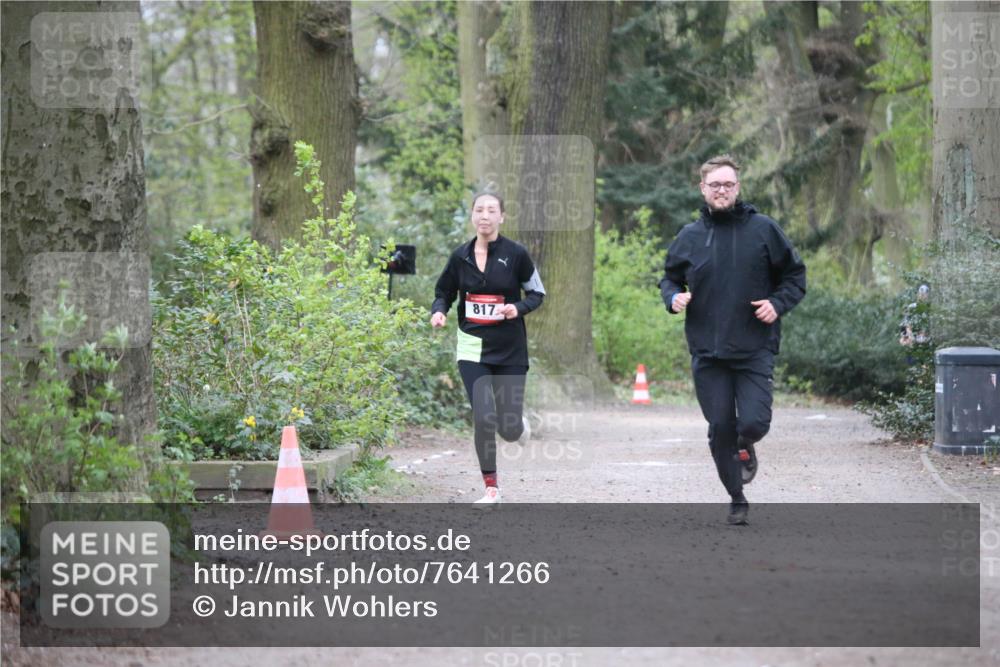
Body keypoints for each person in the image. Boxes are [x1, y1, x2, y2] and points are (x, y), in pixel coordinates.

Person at [659, 155, 806, 525]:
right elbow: (669, 279)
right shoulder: (689, 237)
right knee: (720, 427)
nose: (721, 190)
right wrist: (673, 297)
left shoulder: (764, 230)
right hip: (708, 352)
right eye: (714, 185)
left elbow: (795, 276)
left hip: (754, 347)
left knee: (753, 423)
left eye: (728, 185)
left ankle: (746, 445)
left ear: (738, 188)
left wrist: (777, 303)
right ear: (703, 189)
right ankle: (736, 497)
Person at [431, 192, 546, 505]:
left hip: (510, 349)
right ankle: (491, 488)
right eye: (479, 210)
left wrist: (517, 308)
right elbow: (443, 291)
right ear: (472, 216)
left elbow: (537, 293)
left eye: (491, 210)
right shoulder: (460, 257)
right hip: (472, 348)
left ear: (502, 217)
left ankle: (517, 425)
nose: (484, 215)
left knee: (508, 428)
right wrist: (438, 310)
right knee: (483, 417)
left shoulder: (517, 254)